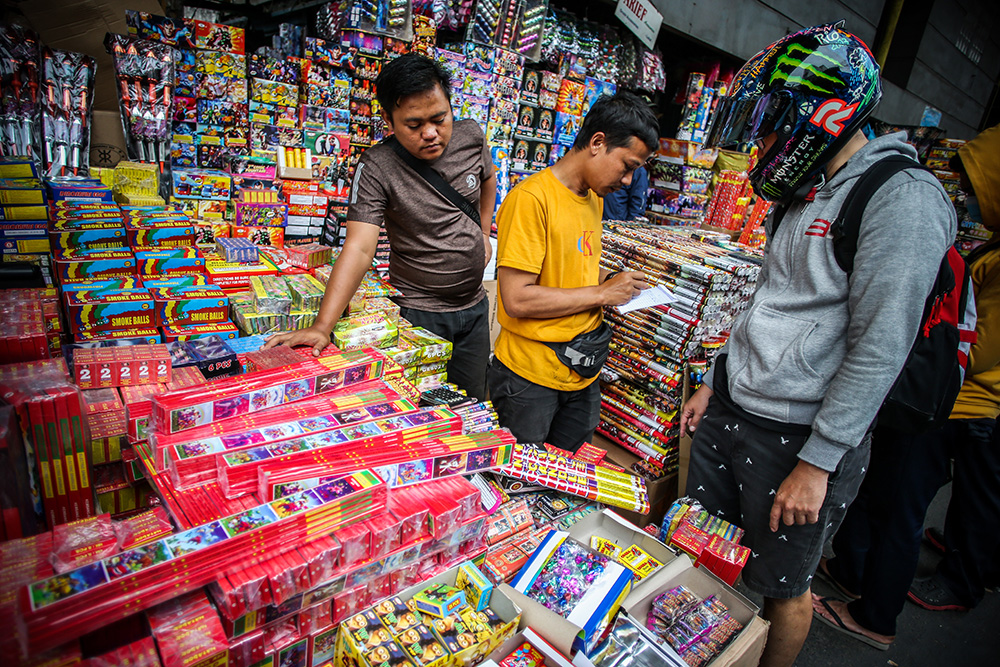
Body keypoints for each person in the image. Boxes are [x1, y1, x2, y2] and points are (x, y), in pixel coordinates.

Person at [679, 23, 956, 667]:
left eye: (772, 125)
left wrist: (818, 463)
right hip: (735, 413)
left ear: (823, 115)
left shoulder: (900, 199)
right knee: (703, 550)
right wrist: (717, 379)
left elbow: (880, 345)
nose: (764, 143)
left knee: (781, 586)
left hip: (798, 440)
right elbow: (771, 299)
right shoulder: (803, 191)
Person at [811, 124, 1000, 647]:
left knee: (900, 507)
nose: (965, 195)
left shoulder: (921, 233)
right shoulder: (960, 249)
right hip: (916, 399)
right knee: (878, 493)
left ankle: (876, 618)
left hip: (939, 404)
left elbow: (896, 338)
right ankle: (852, 571)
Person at [265, 54, 496, 399]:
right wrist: (322, 326)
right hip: (420, 314)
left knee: (472, 406)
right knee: (419, 408)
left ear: (451, 106)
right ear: (388, 119)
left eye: (439, 118)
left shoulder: (471, 136)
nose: (431, 133)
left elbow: (488, 180)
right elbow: (358, 247)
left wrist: (482, 230)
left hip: (475, 309)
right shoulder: (376, 166)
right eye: (414, 125)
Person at [487, 92, 657, 452]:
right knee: (522, 482)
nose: (627, 181)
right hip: (530, 377)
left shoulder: (594, 197)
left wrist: (611, 281)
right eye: (626, 166)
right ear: (597, 143)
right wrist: (602, 293)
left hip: (581, 371)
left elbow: (571, 271)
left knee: (570, 479)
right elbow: (516, 299)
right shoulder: (532, 199)